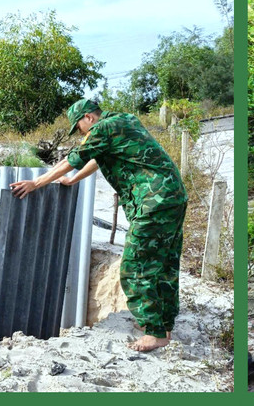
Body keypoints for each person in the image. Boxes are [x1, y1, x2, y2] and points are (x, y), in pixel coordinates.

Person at [11, 98, 187, 353]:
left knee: (135, 265)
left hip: (154, 200)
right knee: (164, 262)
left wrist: (36, 183)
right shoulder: (124, 120)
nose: (81, 132)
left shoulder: (101, 129)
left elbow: (75, 158)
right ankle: (163, 323)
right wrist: (74, 180)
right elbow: (96, 158)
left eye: (79, 127)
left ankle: (155, 332)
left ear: (89, 118)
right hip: (172, 195)